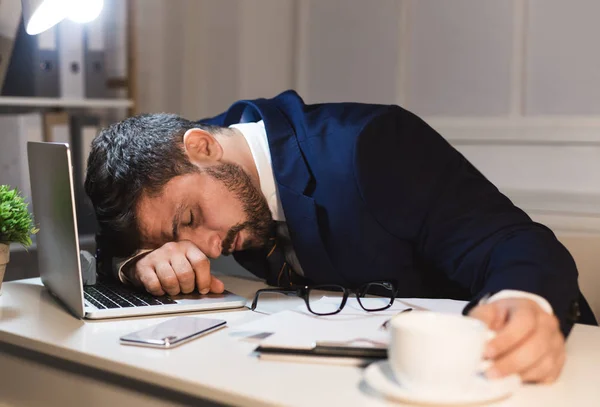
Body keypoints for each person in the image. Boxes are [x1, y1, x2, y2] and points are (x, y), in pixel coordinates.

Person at [85, 90, 595, 383]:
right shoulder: (205, 151)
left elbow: (515, 241)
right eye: (185, 238)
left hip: (504, 365)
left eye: (191, 217)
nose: (211, 248)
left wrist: (526, 302)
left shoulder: (371, 147)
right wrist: (137, 262)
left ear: (201, 147)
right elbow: (113, 245)